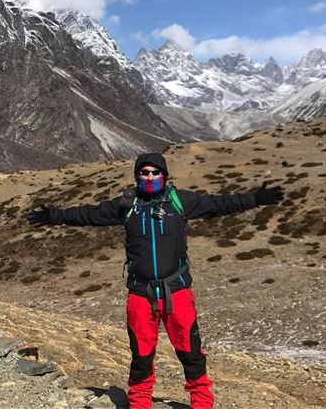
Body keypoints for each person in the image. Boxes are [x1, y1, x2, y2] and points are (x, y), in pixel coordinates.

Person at [27, 152, 283, 409]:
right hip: (140, 294)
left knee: (191, 353)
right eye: (144, 173)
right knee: (141, 355)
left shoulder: (180, 201)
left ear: (164, 175)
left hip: (178, 291)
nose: (150, 178)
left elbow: (219, 204)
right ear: (137, 176)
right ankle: (140, 403)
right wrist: (55, 216)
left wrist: (255, 199)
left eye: (155, 172)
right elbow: (90, 215)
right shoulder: (127, 206)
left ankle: (202, 403)